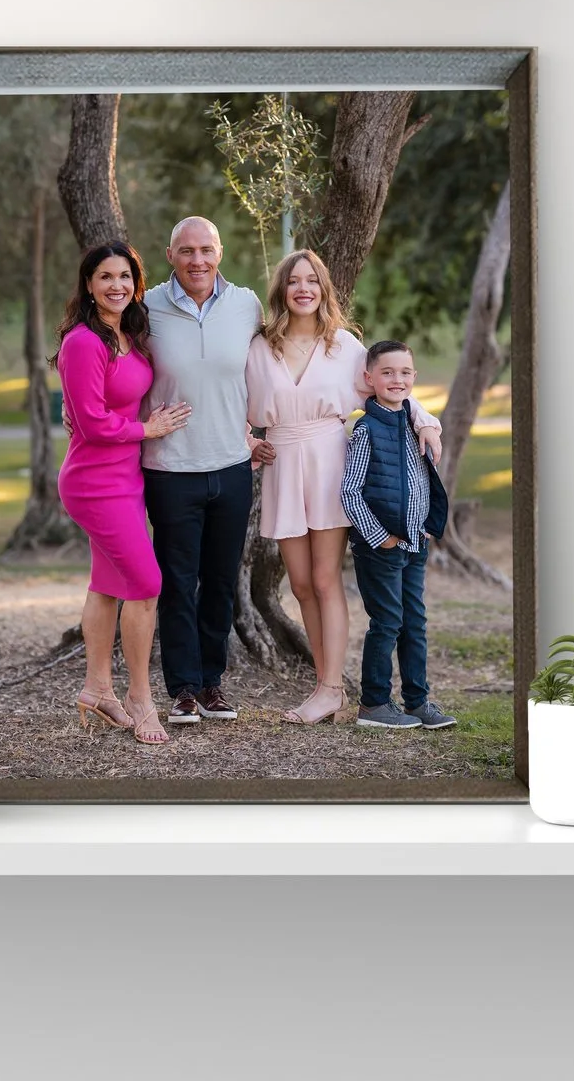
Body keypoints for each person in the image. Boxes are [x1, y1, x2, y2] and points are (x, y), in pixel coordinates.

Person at [246, 250, 441, 725]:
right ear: (282, 291)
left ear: (324, 288)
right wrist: (249, 440)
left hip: (332, 462)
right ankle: (323, 684)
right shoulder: (260, 346)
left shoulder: (346, 347)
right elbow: (239, 403)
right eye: (294, 281)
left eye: (312, 280)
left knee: (326, 578)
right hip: (284, 464)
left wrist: (427, 421)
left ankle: (331, 688)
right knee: (300, 583)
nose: (304, 289)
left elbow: (392, 388)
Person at [56, 241, 191, 745]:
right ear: (88, 285)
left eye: (125, 276)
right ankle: (140, 697)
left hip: (126, 479)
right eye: (105, 276)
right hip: (94, 482)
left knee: (108, 584)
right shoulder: (84, 341)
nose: (117, 285)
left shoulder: (128, 335)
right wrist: (146, 431)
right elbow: (90, 422)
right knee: (147, 583)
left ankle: (96, 689)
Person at [138, 216, 268, 726]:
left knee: (219, 582)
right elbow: (108, 359)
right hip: (170, 469)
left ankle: (213, 683)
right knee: (177, 582)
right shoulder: (144, 306)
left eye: (206, 250)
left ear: (221, 251)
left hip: (233, 467)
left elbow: (281, 363)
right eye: (186, 251)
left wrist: (261, 434)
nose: (197, 260)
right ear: (170, 255)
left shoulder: (247, 305)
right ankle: (183, 689)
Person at [338, 339, 457, 730]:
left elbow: (420, 480)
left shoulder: (415, 423)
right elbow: (351, 492)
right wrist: (379, 536)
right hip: (381, 547)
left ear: (414, 377)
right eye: (387, 373)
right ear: (369, 378)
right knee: (387, 622)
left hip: (414, 541)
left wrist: (424, 526)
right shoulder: (366, 429)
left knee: (414, 623)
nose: (396, 379)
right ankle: (373, 704)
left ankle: (417, 701)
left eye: (405, 372)